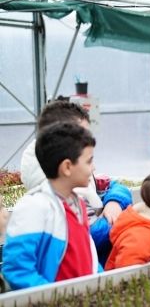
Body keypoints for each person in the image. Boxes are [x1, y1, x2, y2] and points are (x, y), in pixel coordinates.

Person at [20, 100, 132, 265]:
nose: (87, 139)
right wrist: (121, 223)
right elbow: (84, 238)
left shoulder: (75, 173)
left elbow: (112, 185)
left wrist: (114, 202)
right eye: (81, 134)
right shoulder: (48, 204)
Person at [3, 122, 101, 289]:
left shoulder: (78, 204)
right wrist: (53, 298)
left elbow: (88, 257)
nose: (94, 167)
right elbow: (17, 270)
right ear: (67, 167)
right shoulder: (34, 208)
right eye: (89, 161)